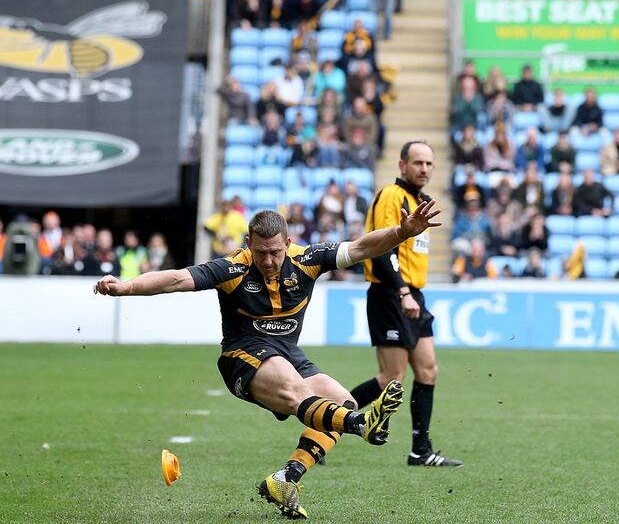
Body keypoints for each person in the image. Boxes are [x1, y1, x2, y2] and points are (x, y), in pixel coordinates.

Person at [93, 201, 443, 519]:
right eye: (261, 253)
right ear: (249, 244)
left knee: (340, 398)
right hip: (242, 357)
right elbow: (175, 279)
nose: (269, 261)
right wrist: (126, 287)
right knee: (297, 391)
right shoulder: (232, 269)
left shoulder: (308, 259)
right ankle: (360, 425)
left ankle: (285, 478)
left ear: (288, 243)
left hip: (288, 355)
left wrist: (401, 232)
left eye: (275, 252)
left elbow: (363, 247)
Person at [349, 141, 462, 468]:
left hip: (413, 293)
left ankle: (420, 451)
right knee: (390, 378)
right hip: (390, 292)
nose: (424, 169)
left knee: (428, 370)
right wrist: (402, 292)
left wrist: (411, 293)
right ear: (402, 166)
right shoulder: (392, 196)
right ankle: (324, 421)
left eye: (429, 163)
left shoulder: (421, 202)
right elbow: (382, 248)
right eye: (417, 163)